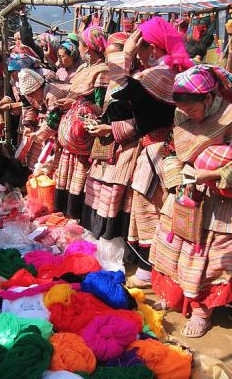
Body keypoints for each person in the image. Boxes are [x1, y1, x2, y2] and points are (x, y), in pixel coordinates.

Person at [104, 18, 193, 288]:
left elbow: (116, 94)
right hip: (168, 149)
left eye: (141, 46)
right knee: (159, 208)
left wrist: (126, 54)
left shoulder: (156, 76)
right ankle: (157, 267)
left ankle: (154, 268)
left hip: (156, 151)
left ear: (151, 48)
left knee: (150, 208)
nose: (139, 53)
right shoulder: (170, 73)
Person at [150, 64, 232, 337]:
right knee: (175, 249)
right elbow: (172, 149)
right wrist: (174, 179)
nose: (188, 115)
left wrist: (212, 174)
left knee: (207, 256)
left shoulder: (229, 117)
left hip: (219, 201)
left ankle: (201, 311)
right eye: (183, 110)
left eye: (192, 109)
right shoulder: (181, 116)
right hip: (186, 193)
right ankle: (176, 297)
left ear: (208, 98)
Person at [81, 31, 135, 239]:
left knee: (114, 195)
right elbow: (107, 109)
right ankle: (98, 237)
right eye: (109, 57)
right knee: (97, 189)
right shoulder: (114, 79)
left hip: (126, 147)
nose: (112, 62)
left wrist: (111, 129)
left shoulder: (135, 81)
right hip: (106, 145)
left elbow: (142, 122)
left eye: (116, 57)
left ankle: (111, 242)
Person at [54, 25, 109, 219]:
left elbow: (101, 105)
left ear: (89, 46)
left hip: (83, 132)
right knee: (67, 172)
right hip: (72, 131)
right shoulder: (86, 68)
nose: (81, 48)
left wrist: (77, 103)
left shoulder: (102, 71)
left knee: (79, 173)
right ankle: (65, 211)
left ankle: (75, 213)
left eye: (83, 44)